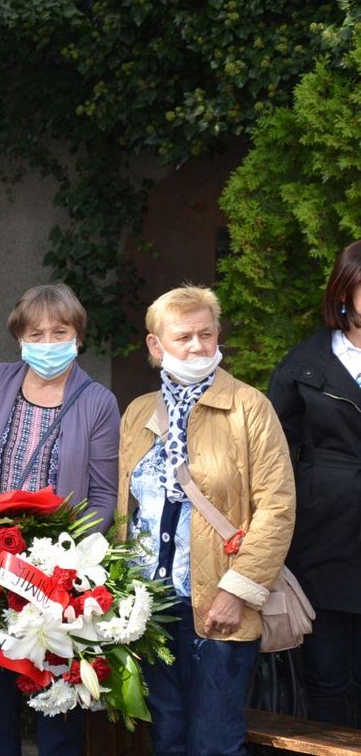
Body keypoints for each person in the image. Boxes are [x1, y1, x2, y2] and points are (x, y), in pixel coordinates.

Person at [0, 283, 120, 756]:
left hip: (55, 583)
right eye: (37, 333)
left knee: (56, 719)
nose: (49, 343)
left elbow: (103, 497)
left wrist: (62, 557)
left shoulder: (98, 402)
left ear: (78, 336)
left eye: (61, 331)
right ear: (19, 337)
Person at [119, 285, 295, 754]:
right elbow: (127, 509)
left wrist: (238, 591)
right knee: (167, 738)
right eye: (183, 337)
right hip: (149, 605)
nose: (198, 346)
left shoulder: (249, 407)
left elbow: (276, 508)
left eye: (207, 334)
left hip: (219, 601)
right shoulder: (137, 413)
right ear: (156, 346)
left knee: (214, 741)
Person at [268, 244, 361, 730]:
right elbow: (272, 446)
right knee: (326, 677)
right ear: (344, 292)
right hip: (323, 535)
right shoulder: (306, 361)